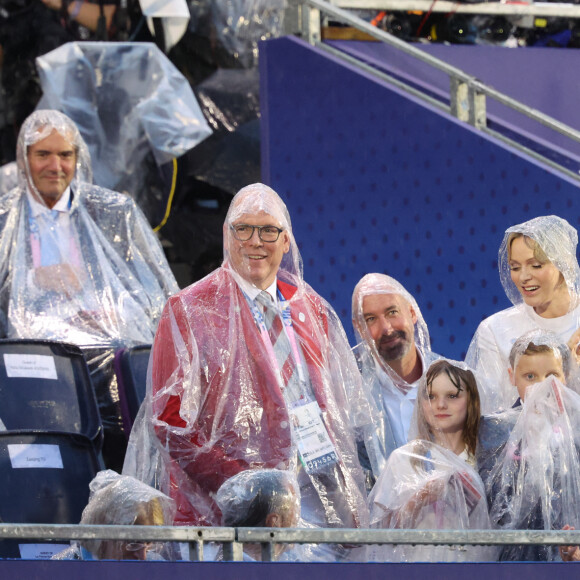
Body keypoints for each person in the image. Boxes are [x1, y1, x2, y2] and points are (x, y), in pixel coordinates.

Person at [124, 183, 369, 559]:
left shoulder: (313, 309)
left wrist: (345, 499)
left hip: (319, 508)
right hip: (228, 517)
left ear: (286, 241)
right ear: (227, 235)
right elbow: (169, 423)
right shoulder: (188, 309)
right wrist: (249, 488)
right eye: (244, 228)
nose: (256, 241)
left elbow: (339, 415)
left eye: (268, 230)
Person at [0, 110, 179, 471]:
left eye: (65, 155)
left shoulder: (112, 214)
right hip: (32, 364)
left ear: (77, 159)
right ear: (23, 159)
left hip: (107, 357)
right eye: (43, 155)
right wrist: (35, 281)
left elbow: (154, 293)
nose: (55, 165)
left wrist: (114, 312)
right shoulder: (4, 220)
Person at [368, 359, 495, 562]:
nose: (440, 405)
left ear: (471, 400)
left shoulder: (491, 462)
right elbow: (380, 537)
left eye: (452, 396)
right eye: (431, 397)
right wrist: (417, 501)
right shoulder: (403, 460)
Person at [477, 329, 580, 561]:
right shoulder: (495, 428)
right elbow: (494, 500)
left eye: (552, 375)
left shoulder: (576, 427)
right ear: (512, 376)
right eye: (530, 376)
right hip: (516, 558)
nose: (542, 385)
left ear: (565, 376)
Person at [466, 215, 580, 411]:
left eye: (536, 265)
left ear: (564, 264)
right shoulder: (495, 330)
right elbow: (492, 420)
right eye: (515, 267)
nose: (524, 277)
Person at [351, 273, 442, 482]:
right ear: (359, 327)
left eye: (392, 312)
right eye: (371, 319)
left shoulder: (456, 382)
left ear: (412, 312)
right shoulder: (347, 392)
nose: (386, 329)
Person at [53, 470, 176, 561]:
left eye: (148, 543)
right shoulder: (65, 569)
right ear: (102, 536)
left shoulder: (155, 566)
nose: (142, 556)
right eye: (132, 543)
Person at [215, 468, 300, 561]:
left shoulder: (225, 561)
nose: (297, 520)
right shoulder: (247, 571)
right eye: (294, 511)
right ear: (274, 523)